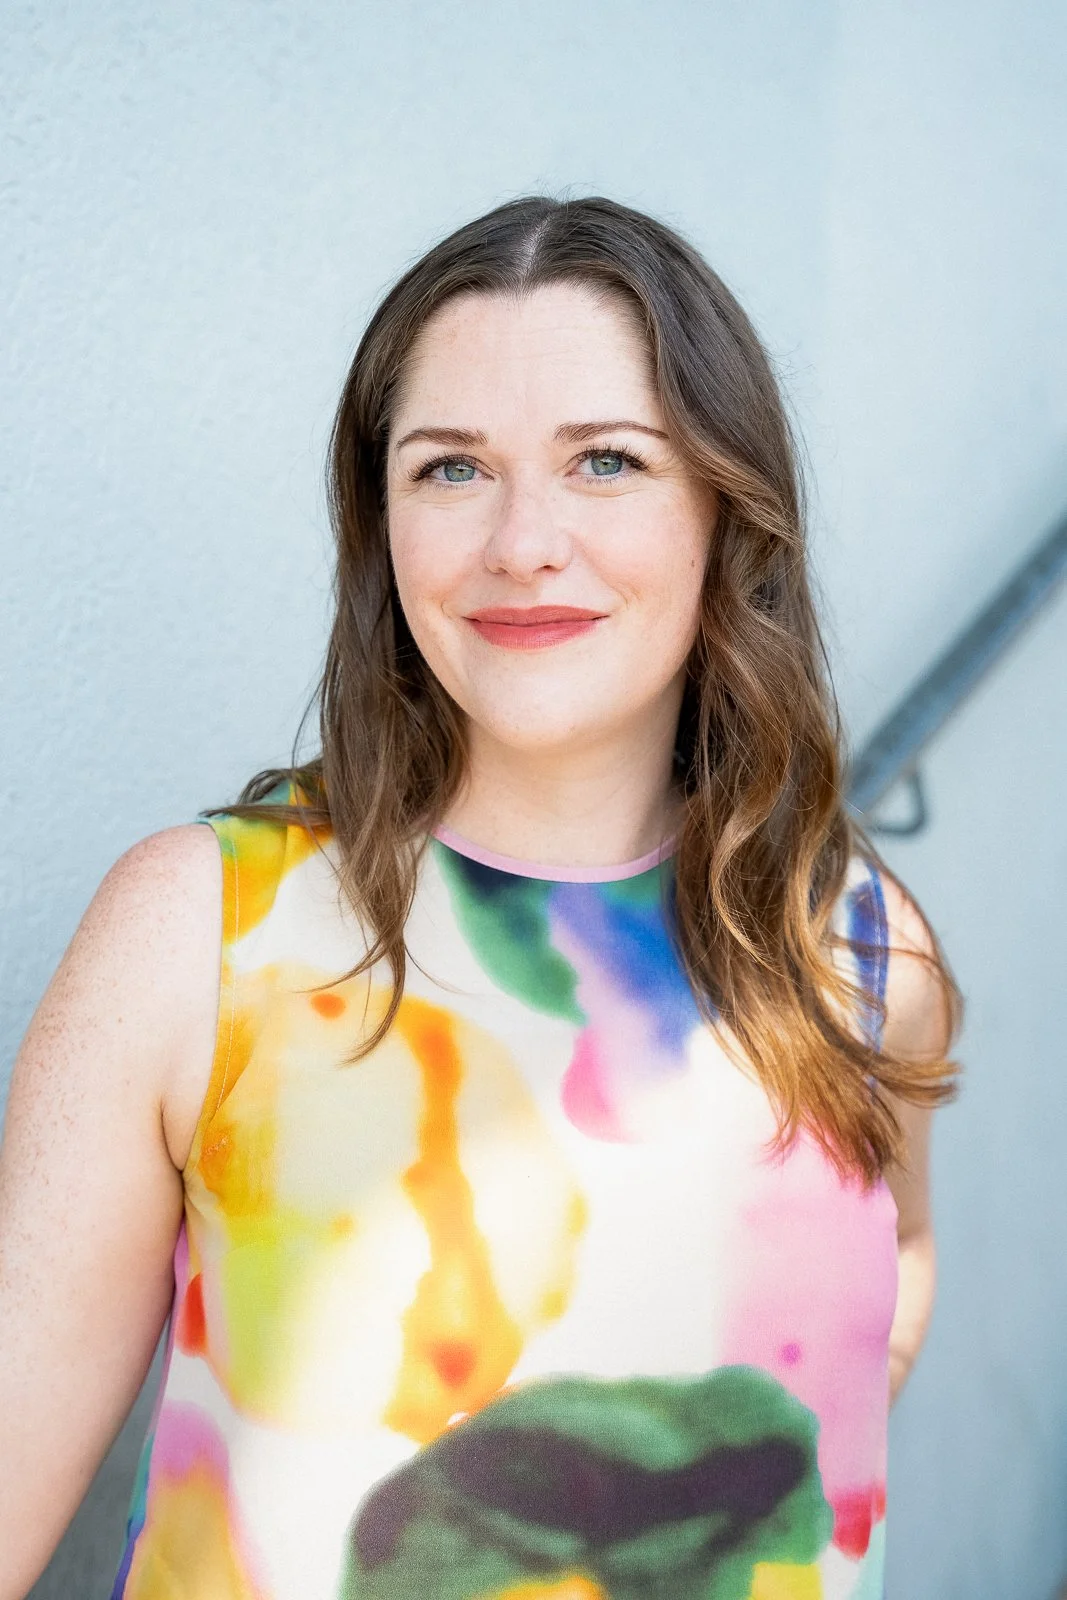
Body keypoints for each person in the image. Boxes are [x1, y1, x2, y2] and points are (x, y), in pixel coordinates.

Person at [0, 195, 959, 1600]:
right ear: (379, 520)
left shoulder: (858, 948)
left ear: (725, 506)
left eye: (606, 461)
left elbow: (895, 1266)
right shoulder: (200, 935)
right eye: (451, 469)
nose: (522, 542)